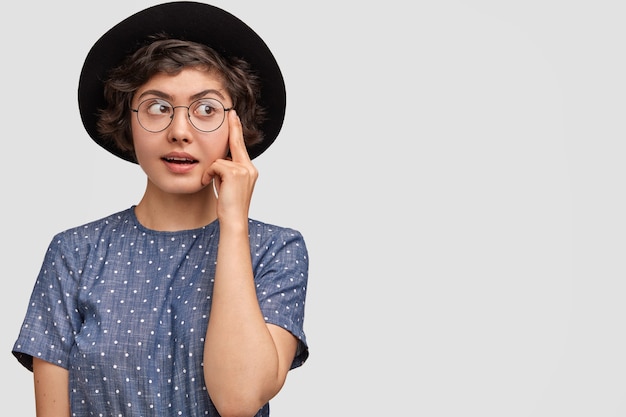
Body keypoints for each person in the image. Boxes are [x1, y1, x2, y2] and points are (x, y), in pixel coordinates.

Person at [11, 2, 309, 416]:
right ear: (128, 121)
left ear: (235, 126)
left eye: (206, 109)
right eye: (157, 107)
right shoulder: (74, 253)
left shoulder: (275, 250)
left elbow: (239, 399)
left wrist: (235, 222)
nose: (180, 132)